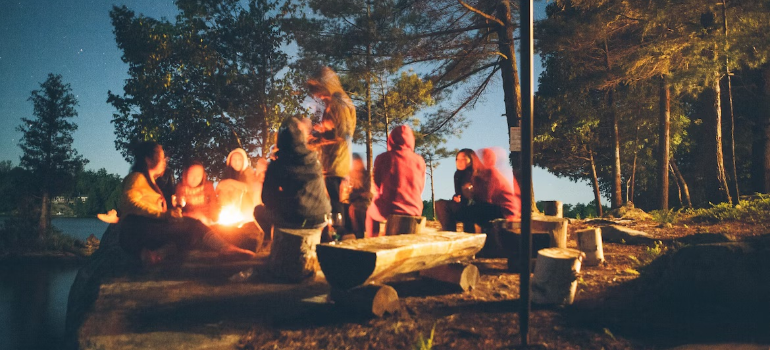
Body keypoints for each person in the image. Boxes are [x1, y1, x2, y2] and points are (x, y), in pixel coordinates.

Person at [118, 141, 255, 265]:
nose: (165, 160)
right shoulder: (137, 177)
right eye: (161, 157)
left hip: (149, 229)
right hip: (138, 229)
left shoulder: (151, 181)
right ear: (148, 160)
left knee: (188, 236)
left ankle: (155, 255)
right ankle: (226, 248)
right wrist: (163, 216)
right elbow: (129, 203)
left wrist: (169, 216)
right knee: (193, 225)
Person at [254, 117, 331, 233]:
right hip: (321, 217)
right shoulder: (314, 160)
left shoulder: (278, 164)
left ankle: (271, 241)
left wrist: (284, 201)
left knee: (258, 210)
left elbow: (267, 198)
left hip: (296, 220)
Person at [306, 66, 356, 234]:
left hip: (336, 163)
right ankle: (343, 236)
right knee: (337, 202)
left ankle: (339, 239)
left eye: (317, 89)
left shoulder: (339, 102)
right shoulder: (335, 103)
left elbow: (343, 133)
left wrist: (317, 139)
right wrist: (322, 130)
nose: (316, 95)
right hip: (334, 162)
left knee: (336, 203)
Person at [366, 125, 426, 237]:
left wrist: (378, 196)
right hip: (415, 208)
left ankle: (371, 240)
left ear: (391, 140)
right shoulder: (420, 160)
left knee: (370, 212)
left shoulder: (383, 158)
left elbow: (377, 184)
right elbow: (421, 186)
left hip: (390, 208)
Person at [434, 149, 478, 232]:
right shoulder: (457, 174)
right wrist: (456, 197)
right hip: (462, 206)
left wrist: (470, 194)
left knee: (469, 209)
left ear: (471, 160)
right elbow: (458, 193)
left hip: (475, 208)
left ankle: (470, 234)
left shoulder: (476, 174)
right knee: (440, 204)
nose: (459, 162)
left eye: (463, 159)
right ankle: (449, 232)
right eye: (457, 159)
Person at [218, 148, 265, 221]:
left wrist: (230, 182)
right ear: (230, 161)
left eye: (239, 159)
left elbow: (251, 187)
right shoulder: (228, 174)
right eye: (234, 159)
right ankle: (227, 212)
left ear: (244, 161)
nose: (237, 162)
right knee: (226, 188)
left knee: (234, 187)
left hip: (248, 204)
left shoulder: (248, 171)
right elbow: (219, 188)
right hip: (231, 205)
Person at [174, 161, 219, 226]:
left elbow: (213, 202)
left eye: (198, 175)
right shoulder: (181, 187)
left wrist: (214, 218)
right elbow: (179, 207)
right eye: (191, 174)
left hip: (206, 222)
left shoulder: (208, 186)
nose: (195, 178)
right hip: (189, 222)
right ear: (186, 174)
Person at [347, 153, 372, 238]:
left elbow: (368, 193)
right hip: (353, 202)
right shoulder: (350, 175)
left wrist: (361, 195)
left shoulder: (366, 175)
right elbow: (349, 193)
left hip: (364, 202)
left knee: (360, 209)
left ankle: (362, 233)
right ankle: (357, 234)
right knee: (352, 209)